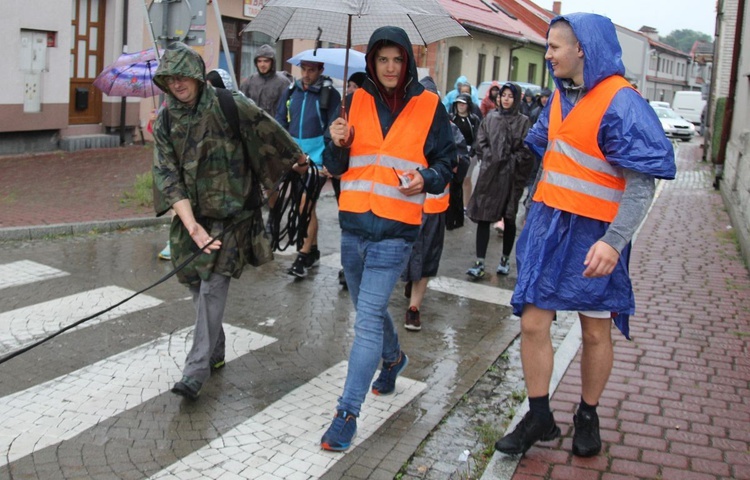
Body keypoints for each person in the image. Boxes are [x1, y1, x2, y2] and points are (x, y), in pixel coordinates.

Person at [495, 14, 675, 457]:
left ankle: (587, 413)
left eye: (555, 47)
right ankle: (539, 415)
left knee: (596, 331)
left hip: (595, 235)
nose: (548, 54)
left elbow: (641, 185)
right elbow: (551, 159)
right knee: (533, 321)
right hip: (549, 226)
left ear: (583, 51)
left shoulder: (622, 102)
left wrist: (613, 242)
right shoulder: (556, 98)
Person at [321, 26, 454, 451]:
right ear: (372, 62)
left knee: (366, 321)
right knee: (369, 310)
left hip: (396, 231)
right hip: (353, 227)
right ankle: (394, 358)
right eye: (383, 59)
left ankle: (347, 413)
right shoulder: (353, 100)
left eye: (398, 59)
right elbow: (337, 168)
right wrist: (335, 142)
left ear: (408, 62)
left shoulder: (430, 105)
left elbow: (450, 160)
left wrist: (428, 178)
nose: (391, 67)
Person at [151, 42, 307, 401]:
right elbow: (167, 176)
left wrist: (298, 159)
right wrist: (192, 227)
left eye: (183, 76)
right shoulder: (166, 120)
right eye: (170, 78)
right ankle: (216, 347)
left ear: (196, 73)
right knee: (193, 281)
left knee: (211, 288)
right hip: (193, 216)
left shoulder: (228, 103)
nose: (177, 84)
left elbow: (269, 131)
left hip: (233, 216)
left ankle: (196, 369)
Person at [400, 76, 464, 331]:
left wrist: (452, 163)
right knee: (405, 253)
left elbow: (462, 159)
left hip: (434, 206)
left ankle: (414, 308)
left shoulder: (449, 128)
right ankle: (409, 280)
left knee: (426, 257)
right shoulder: (403, 126)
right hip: (404, 205)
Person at [276, 60, 341, 278]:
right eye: (303, 69)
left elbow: (332, 128)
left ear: (321, 70)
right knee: (302, 205)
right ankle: (312, 251)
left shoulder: (330, 95)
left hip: (317, 159)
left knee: (305, 203)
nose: (306, 73)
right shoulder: (291, 91)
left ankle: (302, 255)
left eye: (311, 70)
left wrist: (326, 160)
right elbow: (280, 123)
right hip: (296, 157)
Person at [465, 82, 534, 279]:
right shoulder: (490, 118)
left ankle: (504, 259)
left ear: (516, 99)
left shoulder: (523, 122)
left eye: (510, 96)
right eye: (503, 95)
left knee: (509, 217)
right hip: (490, 175)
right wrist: (489, 157)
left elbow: (527, 150)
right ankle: (480, 261)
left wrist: (511, 161)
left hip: (511, 178)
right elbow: (481, 142)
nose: (506, 99)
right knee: (484, 216)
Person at [239, 44, 291, 115]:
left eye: (266, 61)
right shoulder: (249, 81)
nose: (262, 64)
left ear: (272, 62)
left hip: (274, 124)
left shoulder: (283, 83)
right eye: (259, 61)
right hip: (252, 124)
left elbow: (288, 109)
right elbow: (241, 105)